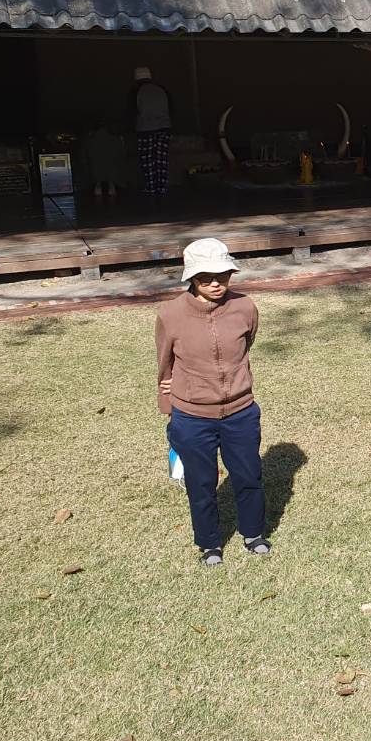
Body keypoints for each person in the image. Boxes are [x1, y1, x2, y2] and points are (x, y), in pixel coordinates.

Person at [155, 238, 270, 566]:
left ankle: (253, 533)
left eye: (222, 275)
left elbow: (247, 345)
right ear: (191, 278)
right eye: (205, 277)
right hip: (191, 416)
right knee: (200, 481)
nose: (216, 283)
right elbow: (165, 366)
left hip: (240, 411)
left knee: (248, 473)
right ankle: (209, 543)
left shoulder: (246, 307)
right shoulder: (170, 315)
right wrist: (171, 412)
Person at [131, 66, 172, 196]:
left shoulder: (136, 91)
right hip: (165, 127)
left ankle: (151, 186)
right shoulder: (161, 89)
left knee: (148, 159)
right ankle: (163, 186)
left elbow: (131, 111)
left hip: (145, 128)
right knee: (162, 158)